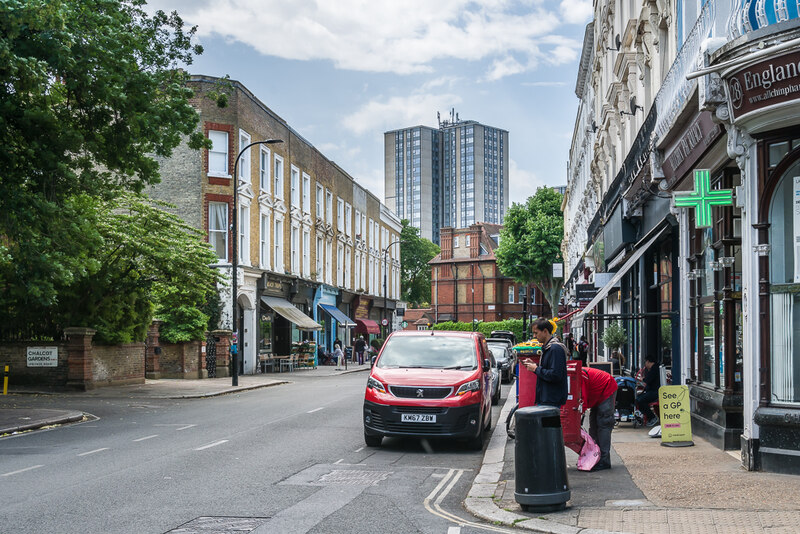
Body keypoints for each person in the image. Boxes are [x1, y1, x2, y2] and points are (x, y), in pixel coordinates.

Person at [522, 318, 568, 407]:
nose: (534, 336)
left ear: (545, 331)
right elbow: (549, 369)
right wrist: (535, 365)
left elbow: (555, 375)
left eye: (536, 333)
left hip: (551, 399)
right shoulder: (548, 347)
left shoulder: (555, 349)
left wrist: (536, 369)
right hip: (546, 398)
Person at [581, 366, 618, 471]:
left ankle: (604, 460)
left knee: (604, 423)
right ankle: (595, 457)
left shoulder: (577, 375)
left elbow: (582, 398)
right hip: (600, 389)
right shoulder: (573, 373)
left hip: (607, 387)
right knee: (593, 425)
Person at [636, 354, 661, 427]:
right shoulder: (656, 368)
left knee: (640, 400)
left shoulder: (654, 369)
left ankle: (652, 417)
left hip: (654, 392)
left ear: (648, 362)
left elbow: (647, 380)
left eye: (645, 362)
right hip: (654, 391)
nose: (645, 364)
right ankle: (649, 417)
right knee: (639, 398)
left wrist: (642, 379)